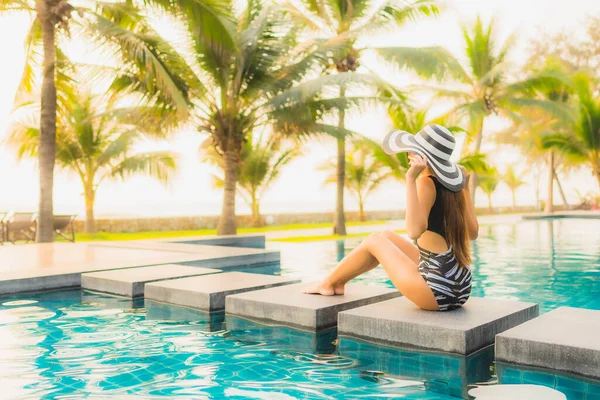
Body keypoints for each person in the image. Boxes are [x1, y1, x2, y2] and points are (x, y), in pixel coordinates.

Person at [303, 124, 479, 311]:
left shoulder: (425, 183)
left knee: (374, 240)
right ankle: (336, 283)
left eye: (411, 151)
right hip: (461, 289)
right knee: (386, 236)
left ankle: (327, 283)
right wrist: (465, 187)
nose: (408, 154)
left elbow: (413, 231)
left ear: (418, 156)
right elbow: (473, 233)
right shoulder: (454, 191)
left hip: (437, 293)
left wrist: (411, 180)